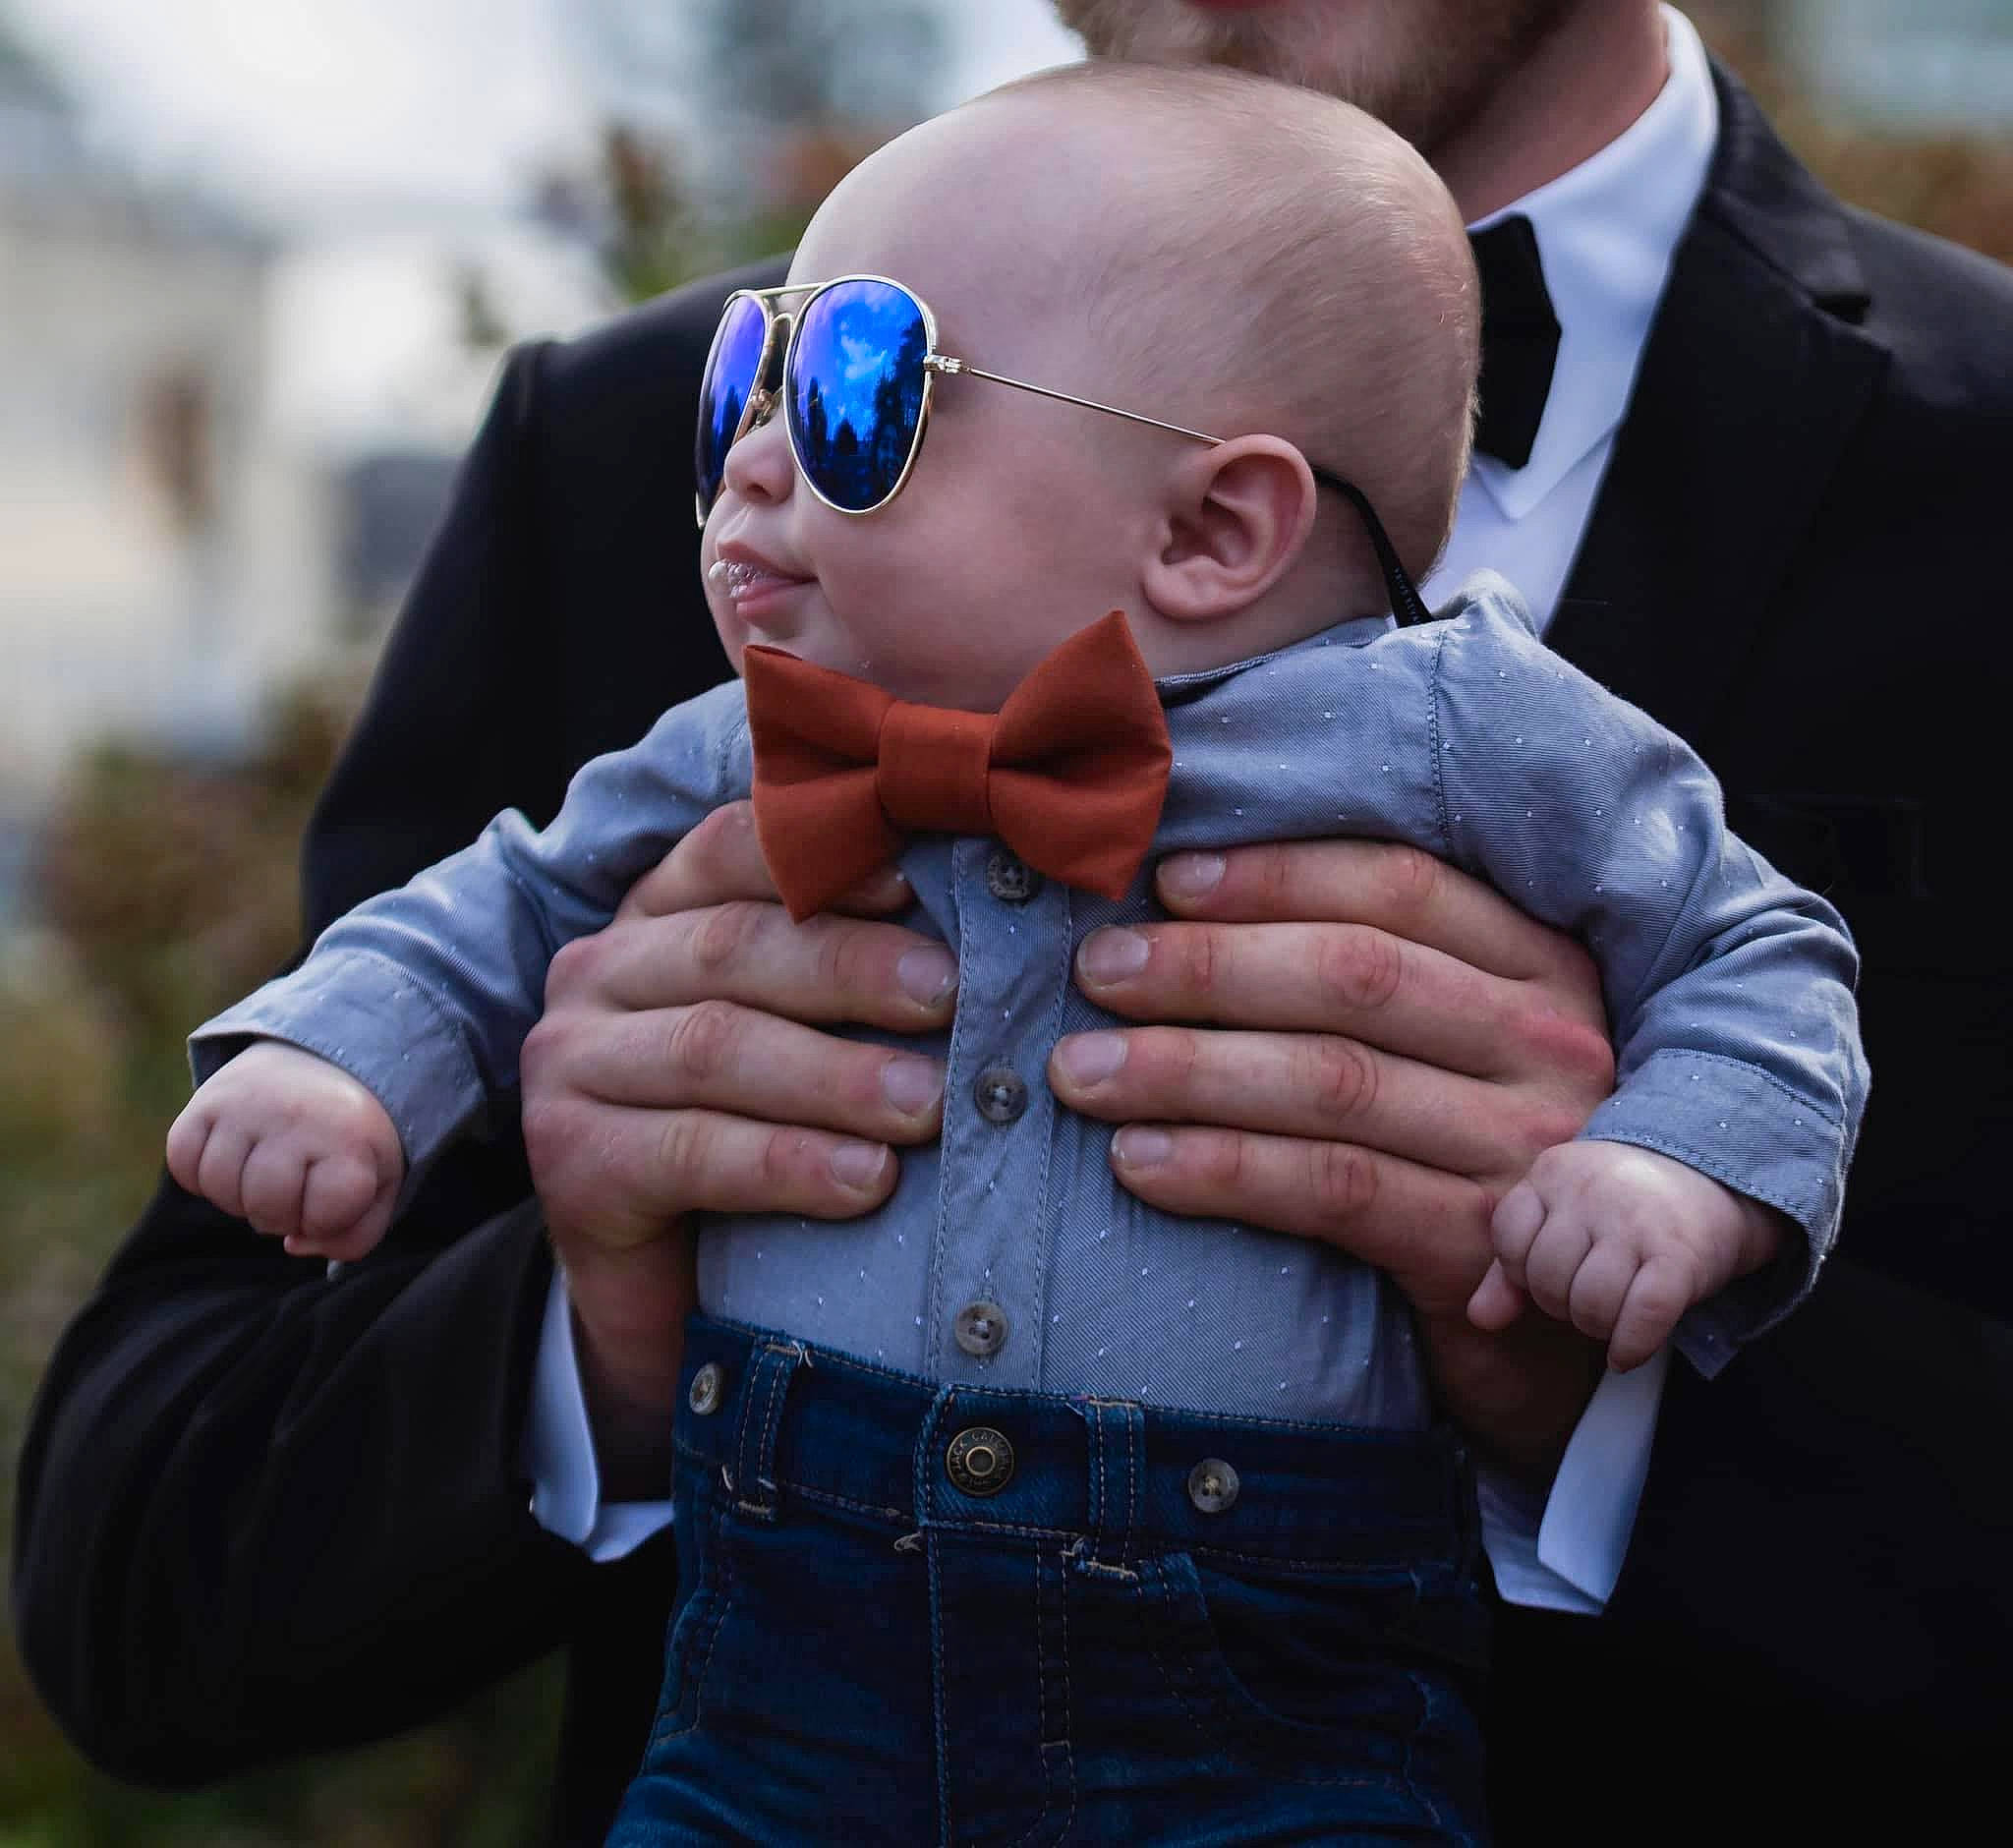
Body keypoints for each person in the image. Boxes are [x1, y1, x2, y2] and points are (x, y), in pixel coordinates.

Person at [12, 1, 2009, 1841]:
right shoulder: (683, 453)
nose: (773, 463)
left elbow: (1756, 985)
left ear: (1231, 521)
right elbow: (138, 1585)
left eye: (869, 398)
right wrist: (598, 1309)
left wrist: (1611, 1356)